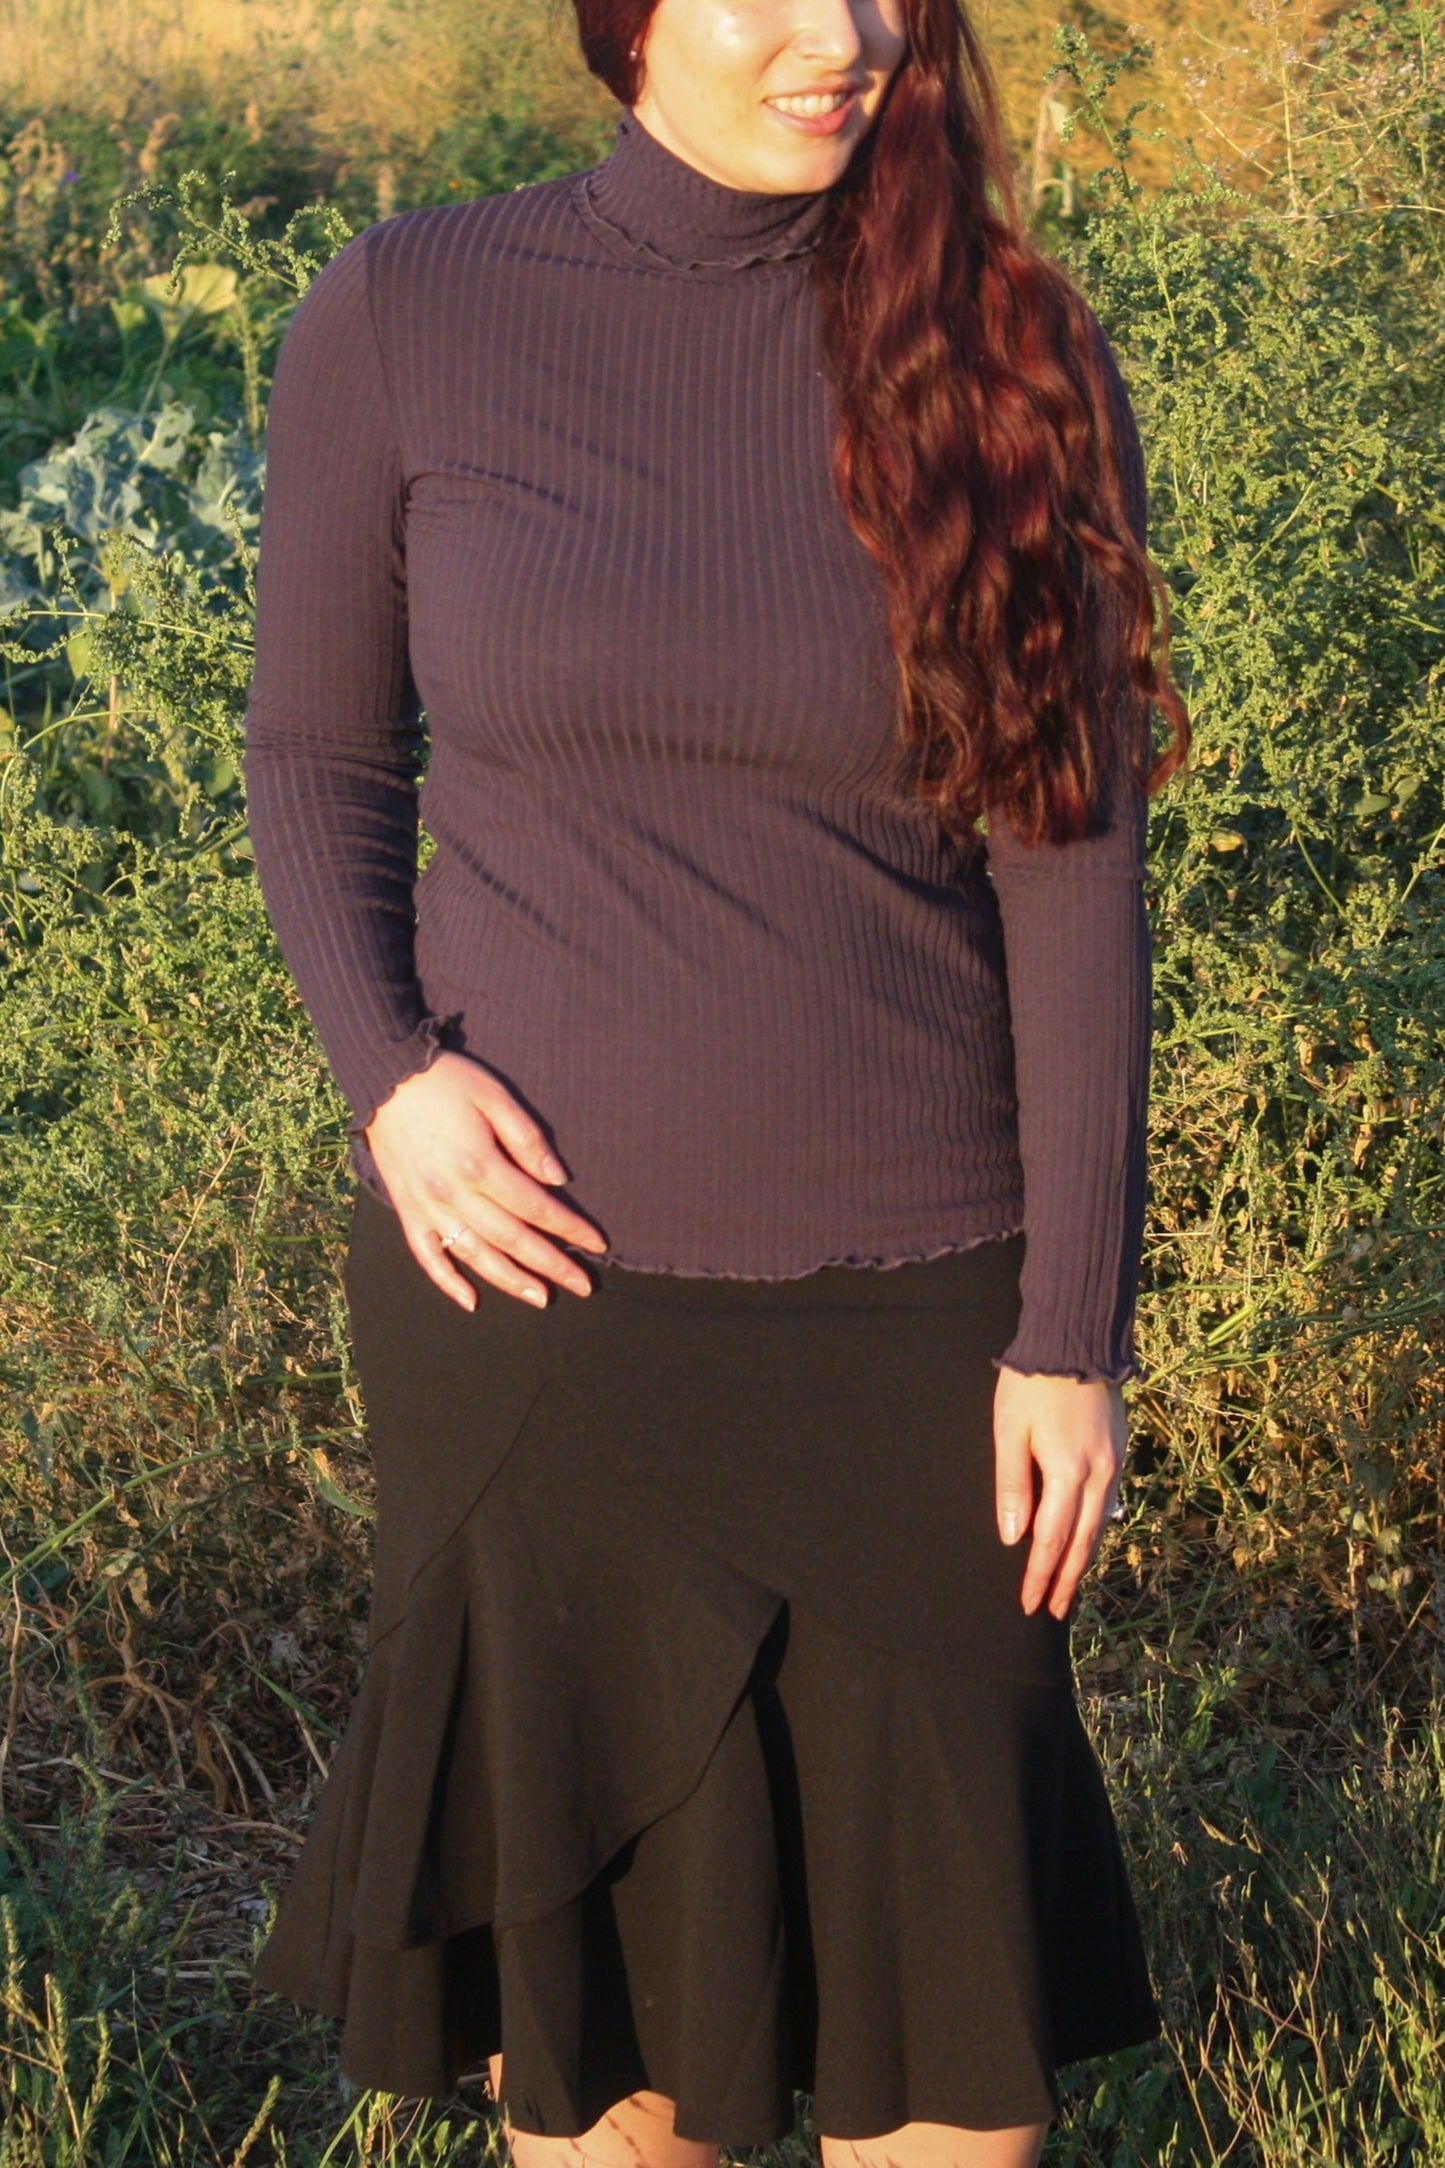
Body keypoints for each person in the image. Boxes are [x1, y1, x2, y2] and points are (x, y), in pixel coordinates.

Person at [241, 0, 1190, 2155]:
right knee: (607, 2068)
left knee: (952, 2076)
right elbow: (313, 749)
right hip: (541, 1313)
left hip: (922, 1314)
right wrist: (389, 1077)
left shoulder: (1011, 348)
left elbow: (1074, 856)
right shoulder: (410, 312)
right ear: (630, 21)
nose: (838, 37)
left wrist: (1071, 1329)